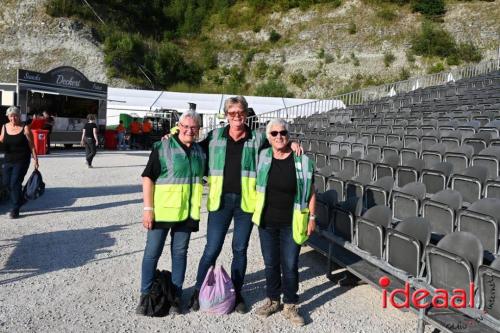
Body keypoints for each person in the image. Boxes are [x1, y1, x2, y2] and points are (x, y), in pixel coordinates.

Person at [189, 96, 302, 314]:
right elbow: (192, 147)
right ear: (226, 115)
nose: (236, 117)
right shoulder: (214, 136)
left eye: (240, 112)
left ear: (246, 113)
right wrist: (171, 136)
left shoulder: (257, 138)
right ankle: (198, 290)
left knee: (239, 249)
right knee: (212, 249)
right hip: (220, 201)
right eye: (232, 113)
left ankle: (236, 292)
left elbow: (277, 139)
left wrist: (292, 142)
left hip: (245, 203)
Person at [136, 110, 206, 316]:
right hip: (162, 212)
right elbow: (147, 178)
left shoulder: (200, 152)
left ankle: (176, 296)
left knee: (180, 254)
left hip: (186, 214)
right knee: (152, 253)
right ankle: (145, 294)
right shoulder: (163, 146)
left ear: (198, 130)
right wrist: (148, 209)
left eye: (193, 127)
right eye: (185, 126)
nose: (189, 131)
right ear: (179, 126)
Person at [253, 118, 316, 326]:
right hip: (266, 221)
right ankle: (273, 300)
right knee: (271, 263)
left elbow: (311, 191)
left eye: (283, 133)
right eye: (274, 134)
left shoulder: (302, 160)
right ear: (268, 137)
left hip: (292, 221)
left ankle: (290, 304)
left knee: (290, 264)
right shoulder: (262, 156)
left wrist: (312, 217)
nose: (279, 136)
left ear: (289, 136)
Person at [0, 106, 39, 218]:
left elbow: (32, 145)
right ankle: (20, 199)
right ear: (8, 117)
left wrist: (35, 159)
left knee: (15, 183)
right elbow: (1, 139)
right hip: (8, 159)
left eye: (16, 115)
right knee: (6, 182)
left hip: (22, 160)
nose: (13, 118)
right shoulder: (4, 127)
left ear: (19, 116)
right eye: (11, 116)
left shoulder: (25, 128)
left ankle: (15, 209)